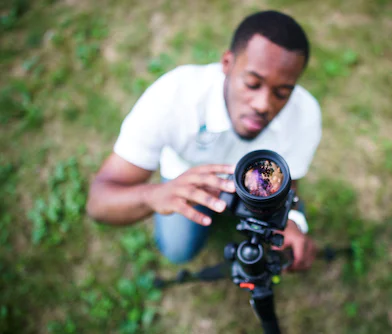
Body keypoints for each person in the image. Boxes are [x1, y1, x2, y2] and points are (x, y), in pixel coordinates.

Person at [86, 10, 322, 271]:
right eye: (253, 84)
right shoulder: (173, 99)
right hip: (186, 179)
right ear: (227, 63)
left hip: (261, 184)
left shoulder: (305, 114)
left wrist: (294, 221)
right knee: (177, 249)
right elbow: (98, 201)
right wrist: (154, 195)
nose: (263, 105)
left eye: (281, 92)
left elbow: (291, 184)